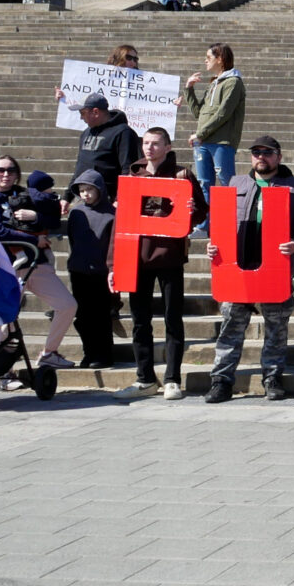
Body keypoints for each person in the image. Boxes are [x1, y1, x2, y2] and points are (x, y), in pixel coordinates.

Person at [203, 136, 294, 404]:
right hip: (238, 269)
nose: (261, 157)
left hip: (276, 269)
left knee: (276, 329)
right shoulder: (236, 183)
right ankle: (221, 381)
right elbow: (220, 220)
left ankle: (272, 378)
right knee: (230, 328)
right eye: (256, 152)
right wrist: (213, 246)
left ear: (278, 156)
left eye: (267, 152)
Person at [116, 128, 204, 401]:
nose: (149, 148)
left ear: (168, 146)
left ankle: (172, 379)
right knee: (140, 321)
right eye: (146, 143)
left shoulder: (182, 174)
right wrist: (113, 263)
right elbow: (120, 222)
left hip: (170, 256)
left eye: (155, 143)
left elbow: (202, 210)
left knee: (172, 318)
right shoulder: (133, 175)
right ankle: (145, 378)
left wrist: (191, 210)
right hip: (137, 256)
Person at [0, 156, 76, 370]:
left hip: (35, 264)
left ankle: (49, 353)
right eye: (0, 170)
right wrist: (33, 239)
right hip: (6, 265)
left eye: (11, 170)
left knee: (67, 305)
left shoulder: (24, 193)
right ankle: (3, 372)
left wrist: (36, 216)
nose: (5, 174)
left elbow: (53, 218)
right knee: (6, 318)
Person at [64, 170, 118, 370]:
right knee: (84, 316)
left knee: (101, 316)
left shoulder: (111, 214)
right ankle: (89, 352)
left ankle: (104, 354)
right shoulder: (76, 212)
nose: (85, 194)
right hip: (79, 270)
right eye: (81, 190)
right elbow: (72, 238)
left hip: (101, 272)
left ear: (100, 190)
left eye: (89, 189)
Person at [182, 43, 246, 193]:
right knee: (204, 185)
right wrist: (188, 89)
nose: (205, 61)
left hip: (221, 142)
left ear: (220, 59)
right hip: (202, 141)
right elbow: (199, 113)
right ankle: (206, 217)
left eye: (209, 57)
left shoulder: (233, 82)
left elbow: (224, 112)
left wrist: (200, 133)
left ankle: (231, 216)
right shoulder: (213, 84)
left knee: (226, 183)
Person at [73, 92, 141, 193]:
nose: (81, 118)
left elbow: (128, 168)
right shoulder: (86, 133)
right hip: (84, 195)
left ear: (95, 112)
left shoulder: (123, 132)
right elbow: (79, 167)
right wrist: (68, 197)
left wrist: (120, 198)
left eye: (83, 113)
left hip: (108, 198)